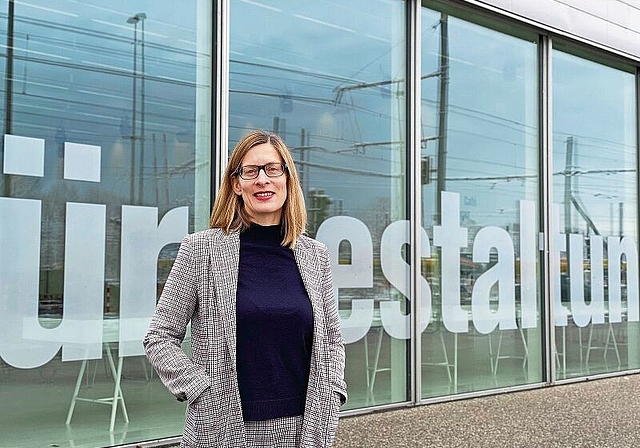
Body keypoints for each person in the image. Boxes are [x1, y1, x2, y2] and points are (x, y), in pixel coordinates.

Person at [144, 130, 347, 448]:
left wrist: (334, 389)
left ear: (287, 178)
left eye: (272, 169)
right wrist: (200, 388)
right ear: (236, 184)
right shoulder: (202, 250)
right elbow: (159, 337)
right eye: (250, 171)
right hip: (222, 425)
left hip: (305, 429)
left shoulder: (315, 255)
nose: (262, 180)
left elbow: (332, 340)